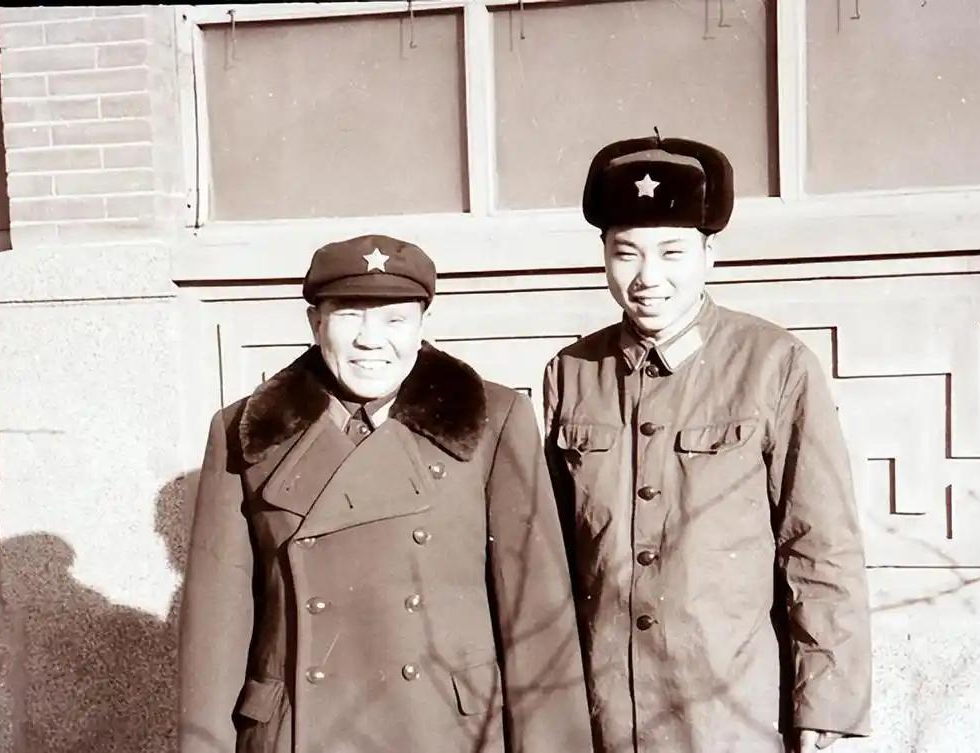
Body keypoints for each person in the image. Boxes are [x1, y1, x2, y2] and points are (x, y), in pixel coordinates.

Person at [179, 235, 592, 753]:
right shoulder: (243, 429)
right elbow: (215, 630)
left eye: (395, 320)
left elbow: (537, 616)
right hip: (297, 731)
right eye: (349, 316)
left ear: (422, 325)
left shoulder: (493, 419)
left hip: (443, 731)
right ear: (315, 323)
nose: (371, 341)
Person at [543, 137, 872, 753]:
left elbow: (819, 544)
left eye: (672, 252)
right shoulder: (572, 371)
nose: (648, 278)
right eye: (625, 253)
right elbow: (552, 552)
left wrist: (825, 699)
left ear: (708, 256)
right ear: (604, 258)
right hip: (604, 711)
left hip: (730, 712)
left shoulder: (775, 365)